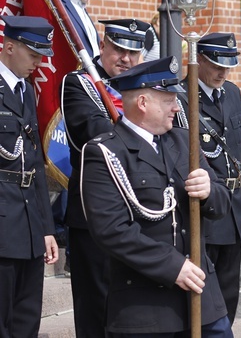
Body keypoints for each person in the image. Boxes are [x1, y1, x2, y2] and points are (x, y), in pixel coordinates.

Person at [80, 57, 232, 337]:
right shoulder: (106, 153)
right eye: (168, 100)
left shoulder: (185, 141)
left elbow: (222, 203)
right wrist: (173, 266)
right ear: (142, 103)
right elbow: (111, 230)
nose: (177, 107)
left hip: (203, 301)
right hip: (147, 308)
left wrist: (210, 191)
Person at [61, 18, 149, 338]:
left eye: (133, 52)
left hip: (141, 213)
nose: (126, 59)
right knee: (96, 309)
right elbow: (97, 135)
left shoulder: (147, 87)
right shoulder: (80, 83)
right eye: (119, 50)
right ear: (103, 46)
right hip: (95, 215)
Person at [175, 32, 241, 324]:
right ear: (199, 60)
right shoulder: (181, 96)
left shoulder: (233, 93)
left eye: (228, 65)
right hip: (204, 210)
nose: (222, 72)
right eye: (216, 64)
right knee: (203, 296)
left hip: (235, 207)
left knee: (229, 293)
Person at [0, 16, 59, 338]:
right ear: (9, 46)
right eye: (32, 54)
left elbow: (34, 163)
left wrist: (46, 229)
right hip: (3, 225)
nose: (37, 63)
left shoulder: (24, 91)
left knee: (26, 320)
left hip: (28, 225)